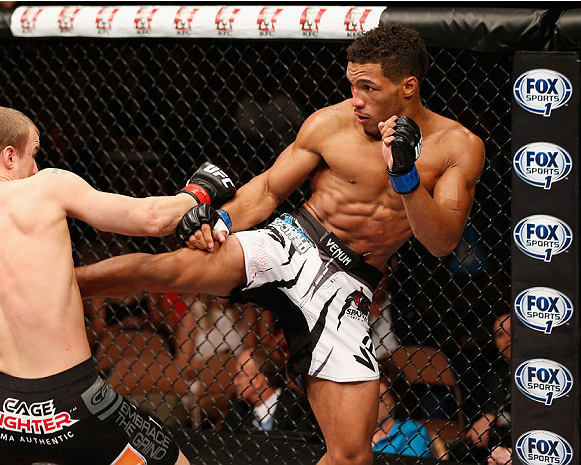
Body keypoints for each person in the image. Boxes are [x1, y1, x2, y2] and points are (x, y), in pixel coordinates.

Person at [76, 22, 485, 465]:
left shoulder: (457, 146)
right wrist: (223, 221)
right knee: (163, 270)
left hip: (348, 281)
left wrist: (406, 181)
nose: (356, 100)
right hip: (293, 238)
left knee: (351, 455)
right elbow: (269, 190)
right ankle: (51, 285)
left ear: (408, 86)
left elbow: (443, 241)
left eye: (369, 87)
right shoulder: (330, 124)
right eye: (352, 85)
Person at [0, 105, 235, 465]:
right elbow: (152, 219)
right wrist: (199, 191)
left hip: (1, 415)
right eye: (33, 154)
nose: (36, 166)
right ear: (9, 156)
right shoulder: (44, 187)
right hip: (74, 404)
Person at [451, 313, 511, 464]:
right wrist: (489, 416)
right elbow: (491, 409)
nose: (508, 338)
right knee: (476, 438)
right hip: (501, 435)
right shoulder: (498, 374)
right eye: (500, 334)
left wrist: (490, 418)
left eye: (513, 330)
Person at [221, 347, 320, 438]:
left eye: (240, 376)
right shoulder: (237, 407)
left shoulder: (297, 410)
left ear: (257, 380)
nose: (235, 382)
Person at [373, 361, 431, 457]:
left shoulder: (413, 434)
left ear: (396, 400)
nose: (371, 405)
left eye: (379, 399)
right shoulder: (353, 431)